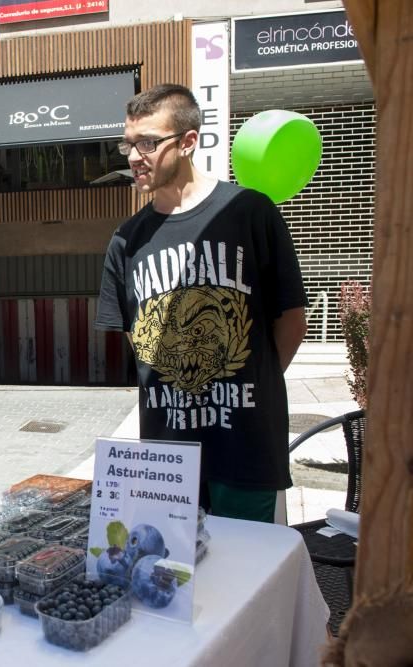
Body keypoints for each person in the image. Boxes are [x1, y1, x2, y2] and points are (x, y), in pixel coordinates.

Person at [95, 84, 308, 524]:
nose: (134, 156)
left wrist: (248, 378)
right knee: (173, 580)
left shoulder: (251, 212)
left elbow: (291, 318)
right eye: (128, 144)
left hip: (246, 447)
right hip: (167, 458)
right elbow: (139, 339)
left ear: (189, 141)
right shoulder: (127, 239)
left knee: (251, 575)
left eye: (148, 142)